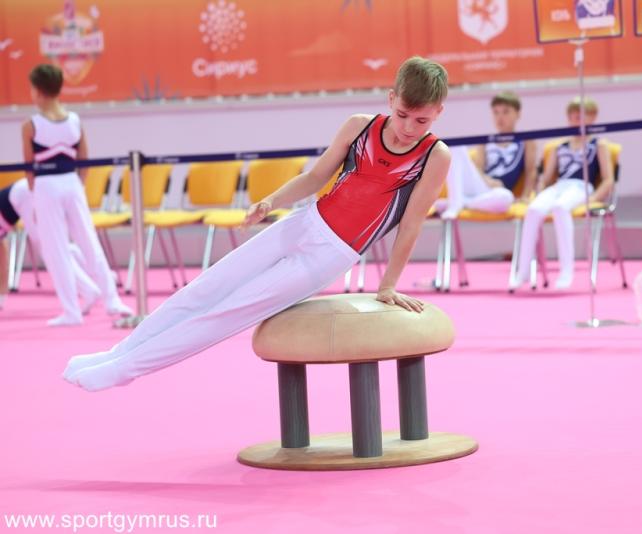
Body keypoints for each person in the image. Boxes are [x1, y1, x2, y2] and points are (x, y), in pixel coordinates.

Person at [63, 56, 452, 392]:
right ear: (390, 99)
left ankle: (126, 370)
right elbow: (315, 178)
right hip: (302, 223)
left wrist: (388, 285)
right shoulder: (359, 126)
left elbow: (411, 224)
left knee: (228, 311)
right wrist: (270, 202)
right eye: (403, 115)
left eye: (421, 120)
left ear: (438, 112)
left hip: (330, 255)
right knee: (203, 289)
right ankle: (120, 352)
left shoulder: (434, 156)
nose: (408, 128)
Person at [22, 64, 131, 326]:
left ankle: (71, 311)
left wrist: (36, 197)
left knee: (56, 248)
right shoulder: (74, 120)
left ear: (38, 91)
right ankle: (112, 300)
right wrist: (77, 185)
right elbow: (84, 161)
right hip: (72, 183)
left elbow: (29, 168)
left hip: (46, 185)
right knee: (89, 242)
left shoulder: (30, 126)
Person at [514, 96, 614, 290]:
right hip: (560, 186)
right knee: (533, 210)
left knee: (560, 208)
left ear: (592, 117)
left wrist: (594, 198)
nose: (576, 118)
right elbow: (547, 178)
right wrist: (539, 192)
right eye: (573, 115)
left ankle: (566, 271)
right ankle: (523, 271)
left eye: (581, 114)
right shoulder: (560, 146)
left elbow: (608, 179)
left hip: (582, 187)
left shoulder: (598, 145)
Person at [0, 178, 103, 311]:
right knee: (56, 247)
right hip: (28, 192)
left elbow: (3, 260)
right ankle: (96, 275)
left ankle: (89, 289)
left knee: (50, 250)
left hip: (27, 194)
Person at [435, 91, 537, 219]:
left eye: (506, 112)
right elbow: (478, 169)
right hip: (481, 185)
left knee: (506, 197)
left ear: (518, 114)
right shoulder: (485, 141)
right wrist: (489, 181)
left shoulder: (526, 141)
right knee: (456, 146)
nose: (500, 117)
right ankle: (456, 202)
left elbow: (531, 171)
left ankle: (460, 202)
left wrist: (526, 196)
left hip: (497, 193)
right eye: (496, 112)